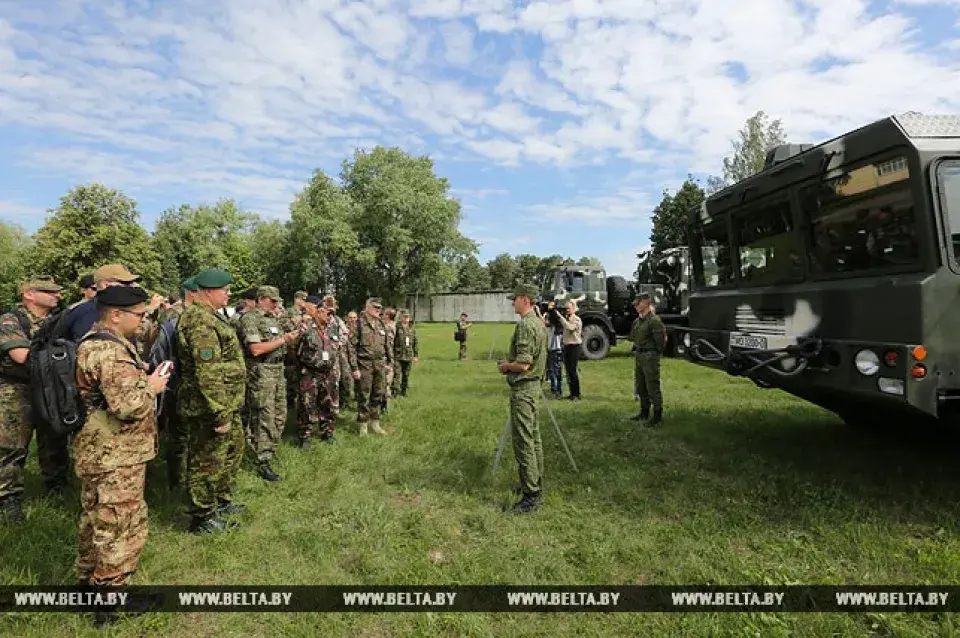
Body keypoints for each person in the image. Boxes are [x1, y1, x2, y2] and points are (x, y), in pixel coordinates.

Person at [73, 285, 169, 626]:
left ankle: (87, 588)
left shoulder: (95, 341)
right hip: (117, 455)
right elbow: (129, 406)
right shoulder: (109, 351)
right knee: (121, 526)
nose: (142, 321)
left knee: (94, 521)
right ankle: (111, 604)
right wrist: (152, 386)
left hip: (98, 450)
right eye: (139, 315)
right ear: (116, 314)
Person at [175, 268, 247, 534]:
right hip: (208, 406)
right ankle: (202, 517)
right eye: (224, 290)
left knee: (231, 451)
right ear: (207, 292)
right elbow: (208, 372)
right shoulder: (200, 321)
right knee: (207, 460)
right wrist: (220, 412)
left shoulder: (212, 317)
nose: (229, 294)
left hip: (227, 402)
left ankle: (221, 501)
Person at [0, 276, 64, 522]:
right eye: (48, 291)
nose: (56, 295)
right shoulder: (11, 320)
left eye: (57, 291)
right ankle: (8, 498)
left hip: (48, 388)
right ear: (28, 294)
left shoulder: (56, 320)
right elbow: (20, 356)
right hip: (17, 389)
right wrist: (59, 360)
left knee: (53, 438)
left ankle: (56, 486)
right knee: (12, 445)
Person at [238, 286, 300, 481]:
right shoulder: (250, 319)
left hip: (278, 371)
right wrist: (283, 340)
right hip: (261, 372)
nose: (276, 305)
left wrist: (292, 338)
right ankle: (262, 460)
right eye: (273, 301)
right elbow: (256, 349)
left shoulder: (273, 319)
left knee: (280, 415)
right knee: (264, 416)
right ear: (262, 299)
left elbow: (280, 343)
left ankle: (270, 451)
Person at [497, 284, 547, 514]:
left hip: (524, 388)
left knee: (524, 440)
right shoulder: (538, 322)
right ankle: (534, 483)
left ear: (525, 300)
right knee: (533, 436)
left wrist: (506, 367)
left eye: (514, 299)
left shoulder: (527, 324)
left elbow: (524, 363)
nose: (512, 302)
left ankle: (530, 496)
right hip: (534, 387)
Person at [295, 297, 339, 447]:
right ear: (319, 312)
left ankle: (327, 432)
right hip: (310, 373)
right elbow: (295, 349)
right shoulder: (306, 327)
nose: (330, 317)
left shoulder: (332, 328)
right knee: (307, 406)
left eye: (332, 314)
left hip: (328, 374)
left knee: (328, 404)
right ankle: (304, 436)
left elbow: (335, 348)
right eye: (328, 313)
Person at [349, 298, 390, 436]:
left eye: (380, 308)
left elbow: (386, 345)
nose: (378, 310)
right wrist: (354, 368)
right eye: (375, 307)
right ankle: (363, 425)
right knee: (364, 395)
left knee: (378, 394)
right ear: (367, 308)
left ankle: (375, 422)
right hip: (364, 365)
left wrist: (389, 363)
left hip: (379, 364)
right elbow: (351, 347)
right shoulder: (358, 324)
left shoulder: (381, 324)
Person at [630, 293, 666, 426]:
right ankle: (644, 411)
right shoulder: (638, 321)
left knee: (652, 385)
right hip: (639, 354)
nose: (635, 306)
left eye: (637, 303)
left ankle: (657, 414)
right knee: (641, 385)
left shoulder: (654, 321)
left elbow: (660, 342)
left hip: (650, 356)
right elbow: (633, 336)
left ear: (645, 303)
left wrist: (654, 354)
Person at [322, 294, 352, 420]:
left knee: (334, 382)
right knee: (321, 383)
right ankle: (320, 409)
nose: (330, 312)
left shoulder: (338, 321)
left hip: (334, 357)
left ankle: (334, 409)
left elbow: (346, 334)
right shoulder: (318, 319)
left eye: (331, 308)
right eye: (327, 308)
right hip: (319, 358)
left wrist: (338, 344)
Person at [556, 300, 583, 400]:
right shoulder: (567, 319)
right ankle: (572, 393)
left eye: (569, 308)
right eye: (565, 308)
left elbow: (570, 328)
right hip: (567, 346)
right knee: (568, 371)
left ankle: (577, 394)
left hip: (574, 346)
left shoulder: (576, 319)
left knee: (572, 371)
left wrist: (560, 317)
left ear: (574, 308)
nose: (567, 310)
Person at [392, 310, 419, 397]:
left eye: (407, 317)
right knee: (396, 374)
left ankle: (403, 391)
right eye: (404, 316)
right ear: (401, 317)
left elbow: (415, 342)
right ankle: (394, 392)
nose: (406, 318)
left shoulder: (412, 328)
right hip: (398, 355)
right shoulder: (397, 327)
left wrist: (416, 355)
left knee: (406, 375)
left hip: (408, 356)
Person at [544, 301, 564, 398]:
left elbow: (554, 317)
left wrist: (551, 309)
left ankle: (556, 389)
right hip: (554, 348)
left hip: (555, 349)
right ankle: (556, 389)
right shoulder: (554, 324)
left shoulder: (556, 323)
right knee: (555, 370)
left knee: (554, 370)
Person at [381, 307, 397, 413]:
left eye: (384, 314)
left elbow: (388, 345)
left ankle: (385, 406)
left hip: (386, 359)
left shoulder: (389, 327)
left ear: (388, 316)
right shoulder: (386, 325)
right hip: (383, 358)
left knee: (386, 383)